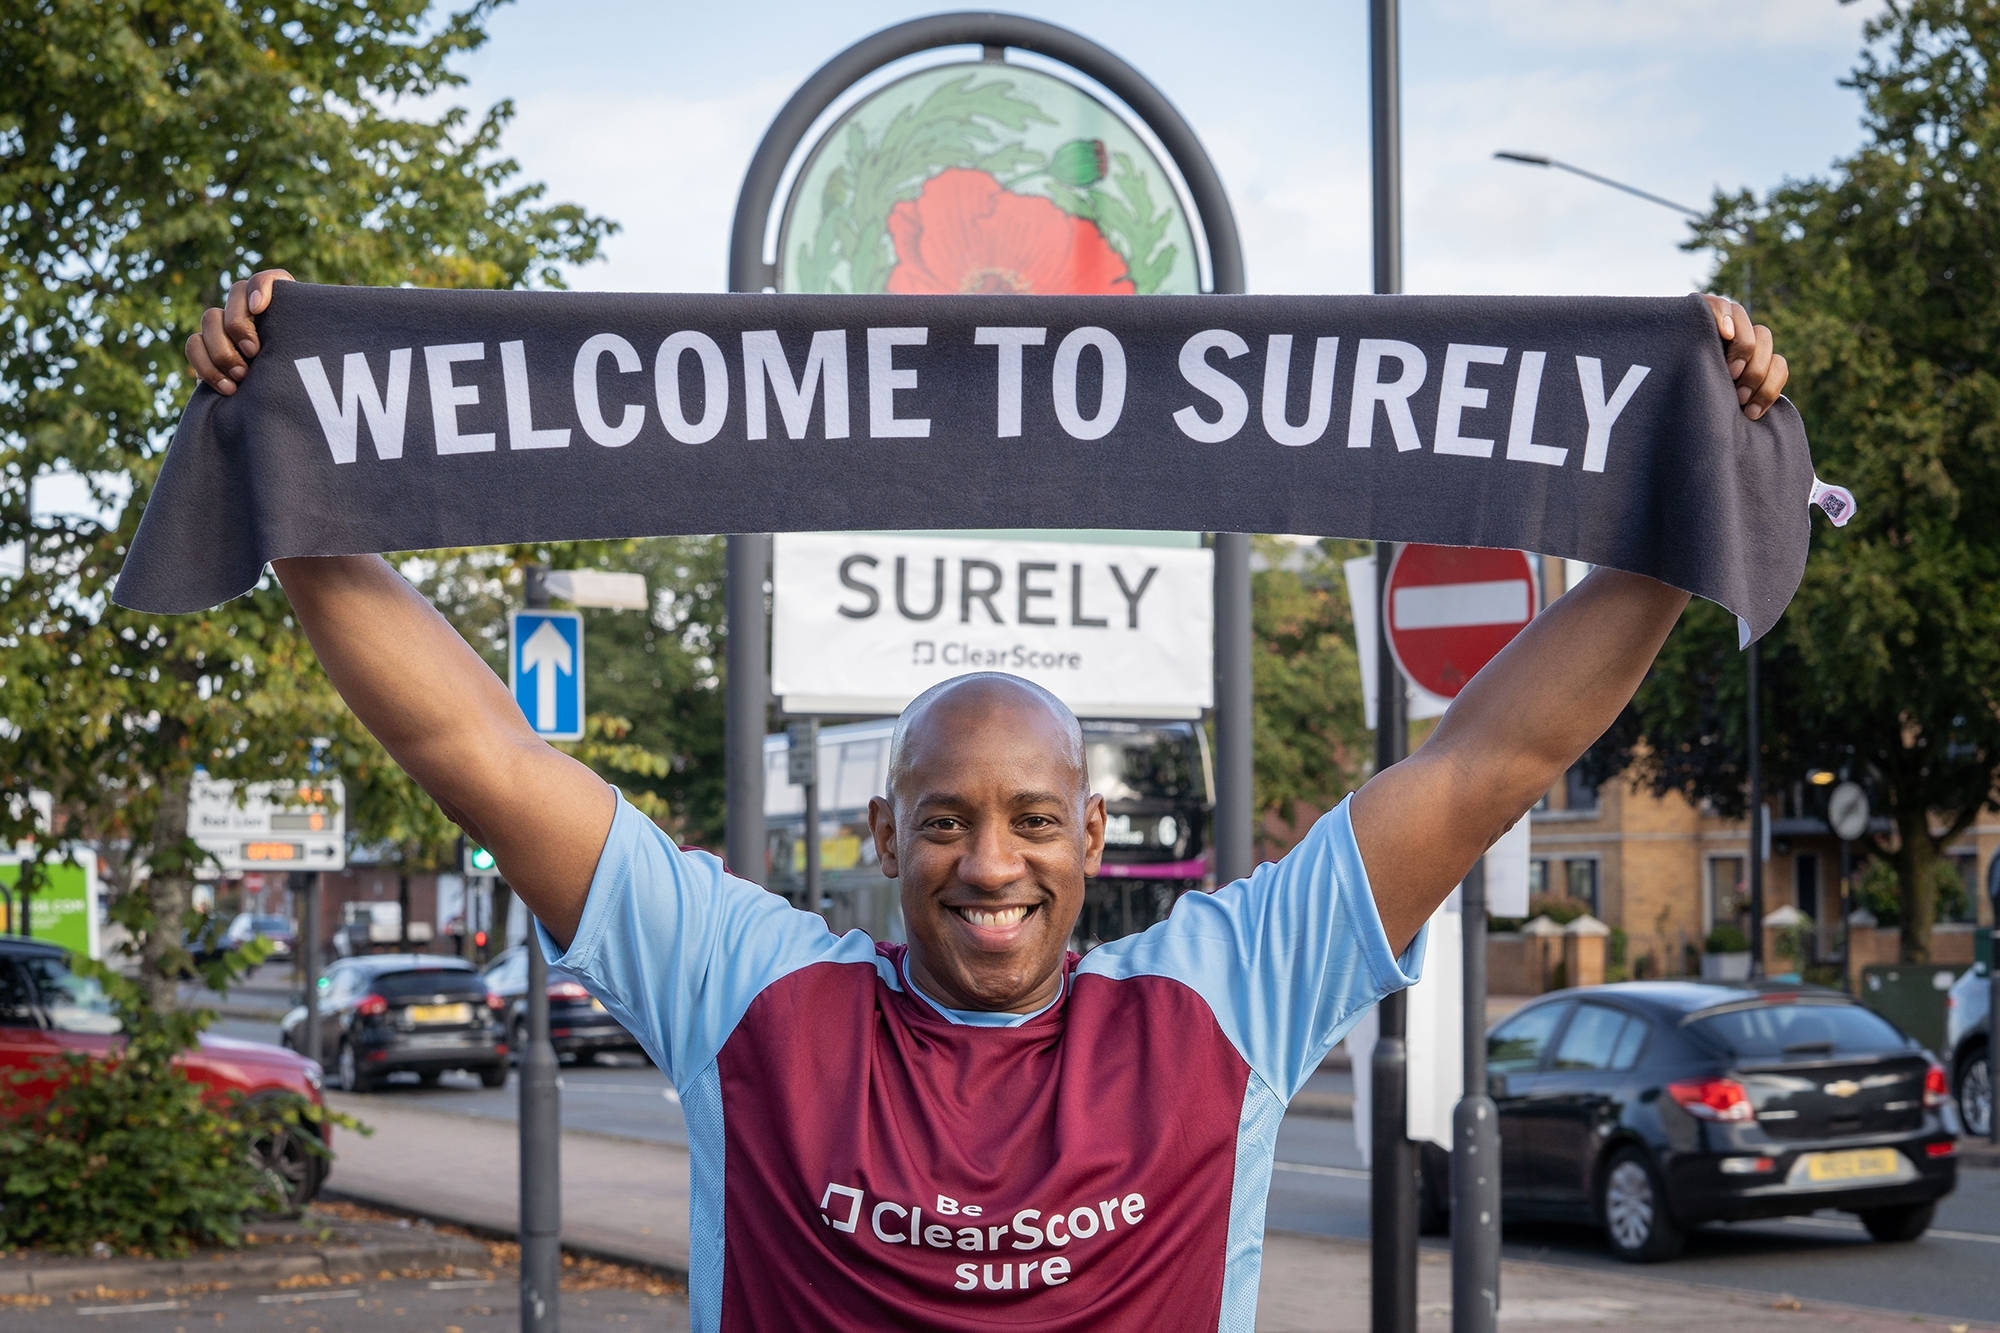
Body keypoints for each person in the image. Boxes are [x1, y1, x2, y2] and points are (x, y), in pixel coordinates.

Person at [185, 273, 1787, 1330]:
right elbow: (480, 751)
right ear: (884, 837)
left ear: (1095, 835)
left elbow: (1486, 761)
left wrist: (1687, 495)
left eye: (1031, 817)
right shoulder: (748, 986)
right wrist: (291, 477)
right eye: (944, 818)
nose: (990, 861)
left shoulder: (1229, 989)